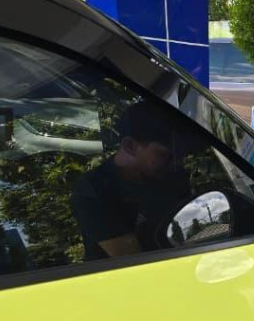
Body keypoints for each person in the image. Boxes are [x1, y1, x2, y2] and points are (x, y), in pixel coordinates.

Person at [71, 101, 195, 259]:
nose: (177, 163)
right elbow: (134, 260)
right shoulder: (93, 189)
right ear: (130, 146)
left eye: (180, 156)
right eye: (165, 155)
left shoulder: (171, 177)